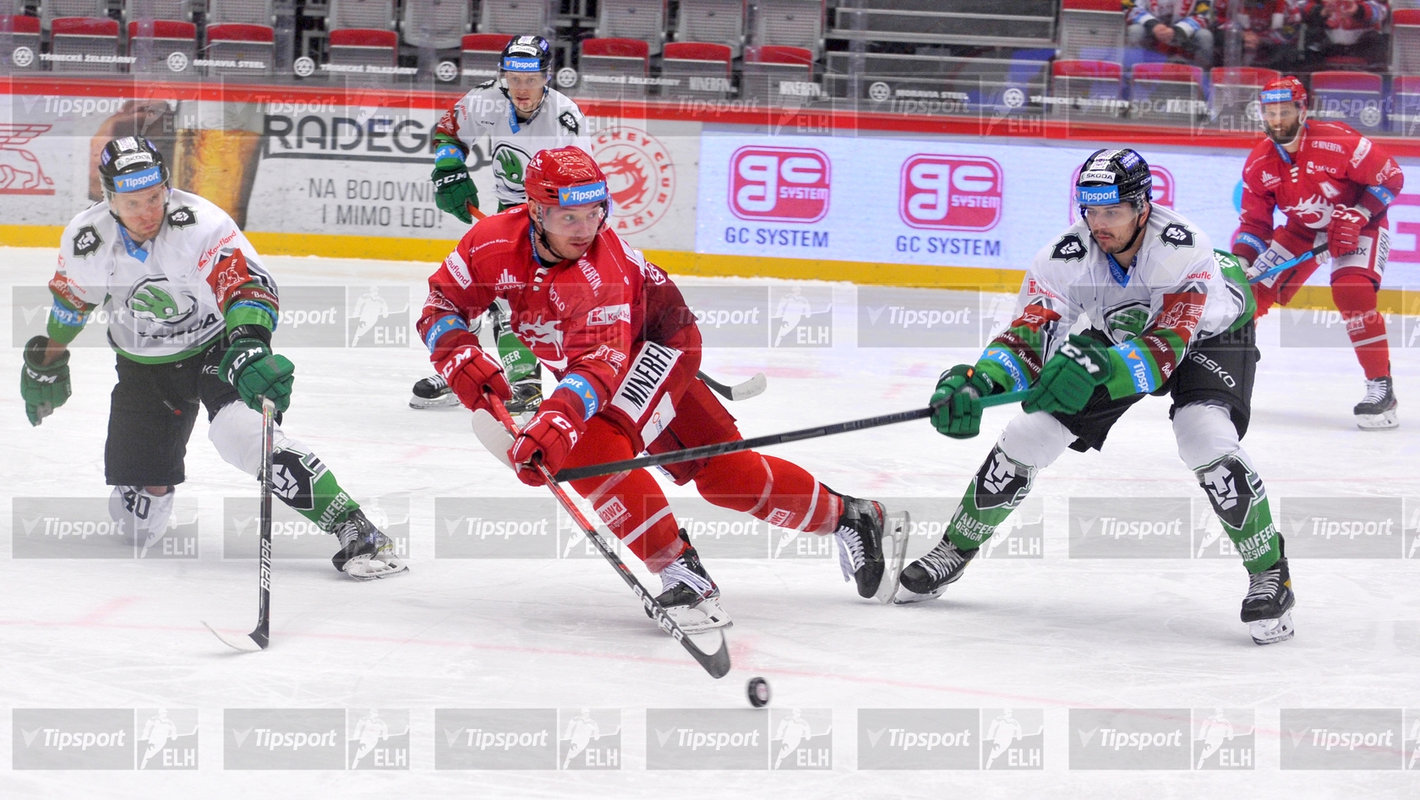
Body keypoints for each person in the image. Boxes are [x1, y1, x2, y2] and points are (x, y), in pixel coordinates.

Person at [415, 146, 902, 631]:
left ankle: (681, 571)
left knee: (588, 449)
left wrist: (557, 421)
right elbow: (441, 305)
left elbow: (601, 367)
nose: (586, 230)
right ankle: (853, 516)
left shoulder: (598, 274)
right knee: (727, 477)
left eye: (594, 213)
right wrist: (457, 353)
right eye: (569, 217)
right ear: (536, 211)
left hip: (660, 345)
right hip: (602, 357)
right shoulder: (489, 242)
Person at [896, 148, 1296, 646]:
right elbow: (1028, 336)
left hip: (1212, 333)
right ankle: (954, 550)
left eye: (1112, 211)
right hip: (1120, 332)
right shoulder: (1065, 256)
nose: (1099, 223)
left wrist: (1099, 369)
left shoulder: (1182, 249)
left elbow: (1164, 350)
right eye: (1090, 210)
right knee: (1029, 432)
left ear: (1142, 206)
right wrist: (980, 383)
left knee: (1203, 436)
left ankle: (1270, 572)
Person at [20, 137, 407, 580]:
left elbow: (245, 285)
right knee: (135, 527)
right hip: (143, 367)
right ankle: (151, 482)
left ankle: (355, 528)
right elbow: (73, 302)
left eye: (154, 197)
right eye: (132, 202)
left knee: (243, 433)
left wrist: (249, 342)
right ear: (108, 200)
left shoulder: (199, 223)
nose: (148, 212)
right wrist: (48, 358)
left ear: (166, 188)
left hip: (215, 345)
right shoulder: (87, 240)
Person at [411, 34, 592, 412]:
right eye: (513, 78)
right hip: (507, 212)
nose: (521, 88)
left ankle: (526, 381)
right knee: (466, 287)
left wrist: (557, 232)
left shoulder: (564, 118)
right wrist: (449, 168)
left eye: (530, 79)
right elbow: (449, 131)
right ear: (503, 75)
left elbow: (582, 187)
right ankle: (460, 370)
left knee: (516, 297)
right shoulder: (486, 98)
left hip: (552, 217)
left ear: (546, 77)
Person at [1232, 75, 1402, 429]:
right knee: (1244, 297)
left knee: (1351, 290)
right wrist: (1243, 262)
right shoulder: (1258, 164)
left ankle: (1380, 386)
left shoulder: (1339, 142)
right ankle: (1225, 381)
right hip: (1302, 231)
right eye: (1270, 112)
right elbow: (1255, 224)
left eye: (1284, 111)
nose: (1277, 120)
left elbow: (1391, 177)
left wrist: (1360, 213)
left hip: (1359, 224)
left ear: (1302, 109)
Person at [1124, 0, 1217, 69]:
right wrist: (1153, 25)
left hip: (1186, 33)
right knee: (1135, 31)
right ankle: (1131, 78)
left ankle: (1202, 82)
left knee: (1205, 36)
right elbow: (1128, 6)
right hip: (1150, 30)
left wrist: (1179, 31)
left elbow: (1204, 15)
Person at [1299, 0, 1389, 70]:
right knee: (1312, 36)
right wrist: (1321, 11)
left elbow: (1382, 10)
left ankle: (1376, 85)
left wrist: (1359, 10)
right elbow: (1303, 7)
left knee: (1376, 41)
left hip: (1362, 42)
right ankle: (1310, 85)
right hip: (1327, 41)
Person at [1213, 0, 1303, 69]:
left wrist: (1261, 39)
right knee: (1223, 39)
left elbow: (1291, 31)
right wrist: (1242, 34)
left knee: (1287, 52)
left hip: (1272, 48)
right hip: (1241, 41)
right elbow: (1218, 21)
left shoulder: (1288, 4)